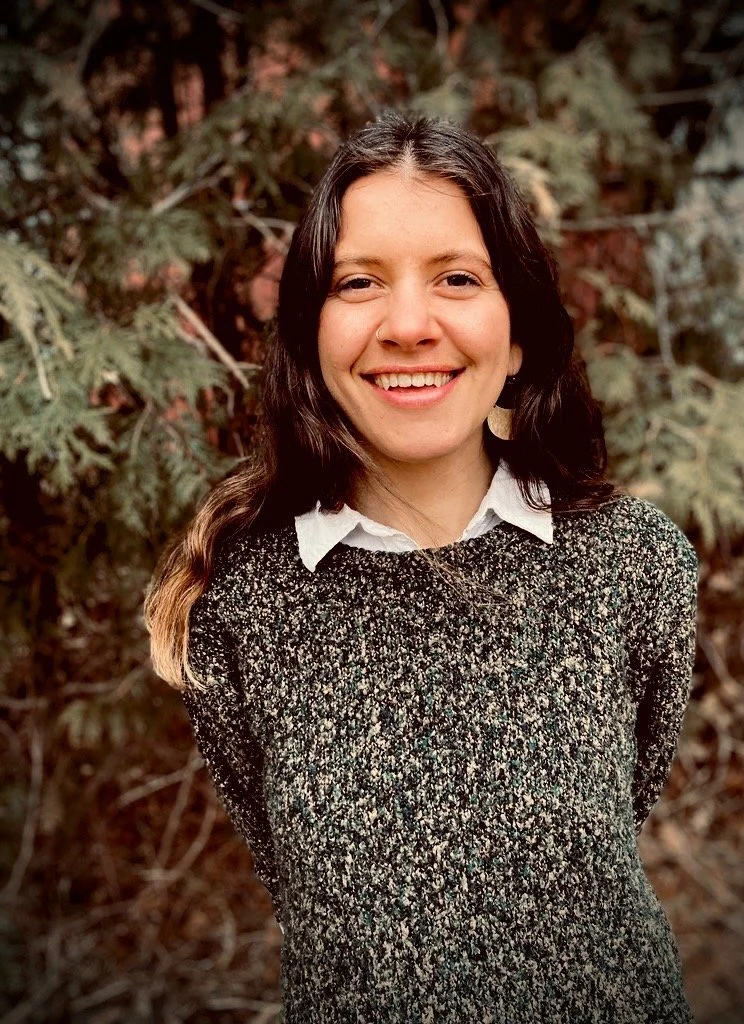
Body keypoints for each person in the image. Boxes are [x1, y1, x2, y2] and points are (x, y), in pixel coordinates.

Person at [144, 110, 699, 1023]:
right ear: (311, 337)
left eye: (456, 277)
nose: (408, 325)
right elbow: (298, 892)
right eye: (359, 281)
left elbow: (622, 813)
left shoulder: (634, 566)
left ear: (516, 331)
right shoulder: (239, 604)